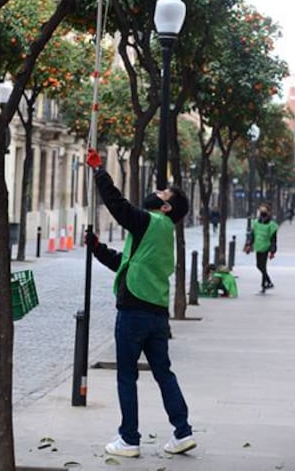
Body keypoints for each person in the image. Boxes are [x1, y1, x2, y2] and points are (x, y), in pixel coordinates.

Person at [86, 148, 196, 457]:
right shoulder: (163, 232)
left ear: (164, 205)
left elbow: (119, 207)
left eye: (162, 191)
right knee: (164, 373)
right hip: (157, 314)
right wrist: (98, 248)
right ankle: (183, 432)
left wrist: (99, 171)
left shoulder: (149, 220)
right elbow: (128, 262)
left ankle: (129, 439)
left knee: (126, 375)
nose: (156, 191)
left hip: (134, 310)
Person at [245, 202, 278, 293]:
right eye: (261, 210)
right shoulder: (256, 222)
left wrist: (272, 251)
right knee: (259, 265)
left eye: (264, 210)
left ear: (268, 212)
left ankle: (264, 285)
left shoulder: (272, 225)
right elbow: (252, 235)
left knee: (262, 265)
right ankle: (268, 282)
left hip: (266, 247)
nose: (262, 212)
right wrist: (248, 245)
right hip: (258, 246)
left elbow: (273, 240)